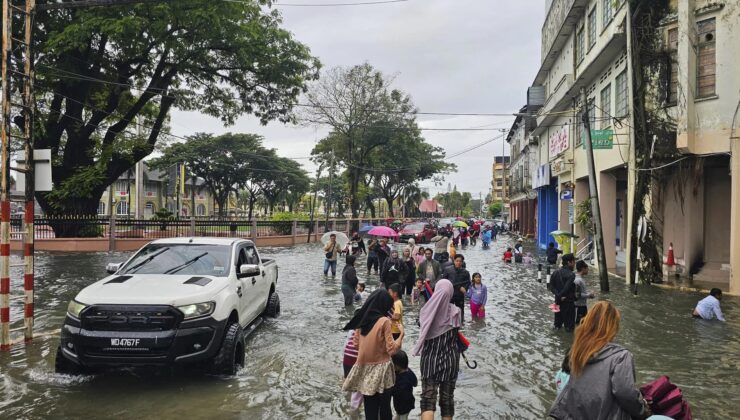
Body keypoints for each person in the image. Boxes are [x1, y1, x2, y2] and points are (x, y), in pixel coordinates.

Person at [549, 301, 651, 419]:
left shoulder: (577, 350)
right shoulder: (620, 356)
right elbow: (625, 393)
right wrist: (643, 411)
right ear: (613, 326)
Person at [343, 290, 404, 420]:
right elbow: (391, 350)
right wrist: (401, 335)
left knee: (370, 410)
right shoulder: (384, 321)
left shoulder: (363, 319)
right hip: (383, 372)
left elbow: (356, 344)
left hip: (365, 370)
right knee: (385, 408)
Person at [412, 279, 461, 420]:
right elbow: (457, 331)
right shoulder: (456, 312)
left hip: (430, 361)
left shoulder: (425, 311)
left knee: (428, 398)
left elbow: (421, 326)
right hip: (450, 361)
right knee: (447, 400)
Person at [550, 254, 577, 331]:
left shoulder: (555, 272)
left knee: (557, 326)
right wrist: (561, 296)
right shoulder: (571, 274)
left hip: (557, 303)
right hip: (568, 303)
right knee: (569, 328)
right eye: (573, 262)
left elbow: (551, 287)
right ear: (569, 262)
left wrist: (558, 296)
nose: (574, 264)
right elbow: (566, 288)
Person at [443, 254, 471, 323]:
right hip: (450, 294)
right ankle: (448, 324)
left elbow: (468, 282)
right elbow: (444, 281)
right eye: (457, 261)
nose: (458, 263)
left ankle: (461, 324)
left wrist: (464, 288)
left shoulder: (465, 272)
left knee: (460, 311)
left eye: (460, 261)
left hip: (459, 295)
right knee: (448, 311)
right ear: (454, 261)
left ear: (462, 262)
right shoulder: (448, 270)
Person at [391, 350, 418, 420]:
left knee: (403, 417)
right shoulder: (408, 371)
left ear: (397, 365)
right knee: (398, 416)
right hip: (403, 404)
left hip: (404, 406)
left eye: (392, 363)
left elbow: (396, 391)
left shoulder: (401, 378)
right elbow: (415, 383)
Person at [342, 329, 364, 414]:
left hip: (347, 356)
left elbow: (346, 343)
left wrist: (343, 357)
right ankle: (352, 402)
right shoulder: (367, 330)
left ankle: (347, 397)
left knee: (347, 379)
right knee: (355, 382)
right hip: (356, 358)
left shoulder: (351, 331)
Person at [573, 260, 595, 325]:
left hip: (582, 305)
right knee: (580, 324)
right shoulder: (578, 280)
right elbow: (577, 294)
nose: (588, 270)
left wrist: (588, 294)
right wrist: (589, 295)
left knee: (583, 324)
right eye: (587, 269)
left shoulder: (579, 278)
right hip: (579, 306)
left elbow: (579, 292)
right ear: (583, 268)